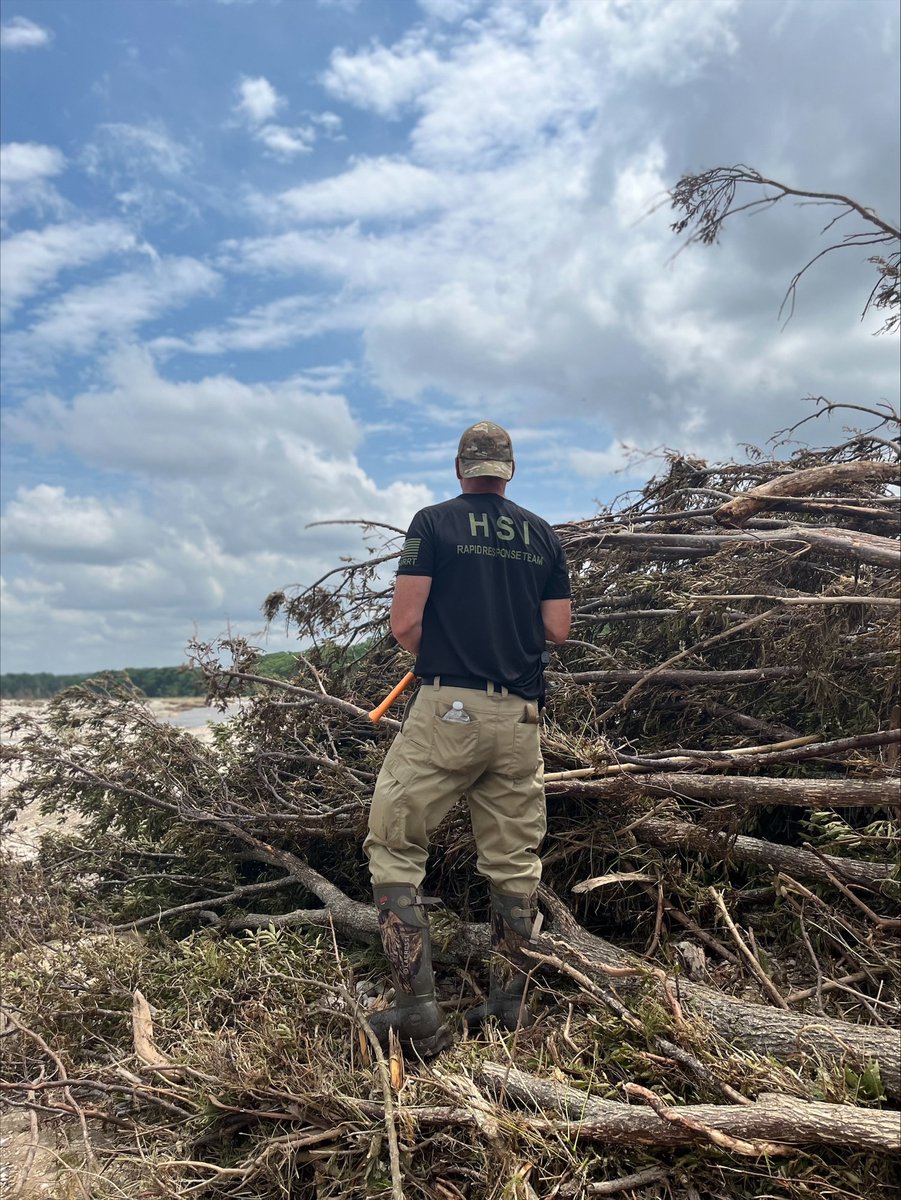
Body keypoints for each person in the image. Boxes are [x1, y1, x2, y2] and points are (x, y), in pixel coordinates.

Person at [364, 420, 572, 1056]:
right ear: (511, 471)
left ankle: (415, 1010)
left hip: (448, 705)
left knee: (394, 839)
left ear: (460, 469)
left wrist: (446, 655)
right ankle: (508, 1008)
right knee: (513, 860)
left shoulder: (432, 523)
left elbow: (405, 622)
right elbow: (557, 630)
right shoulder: (542, 535)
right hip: (521, 718)